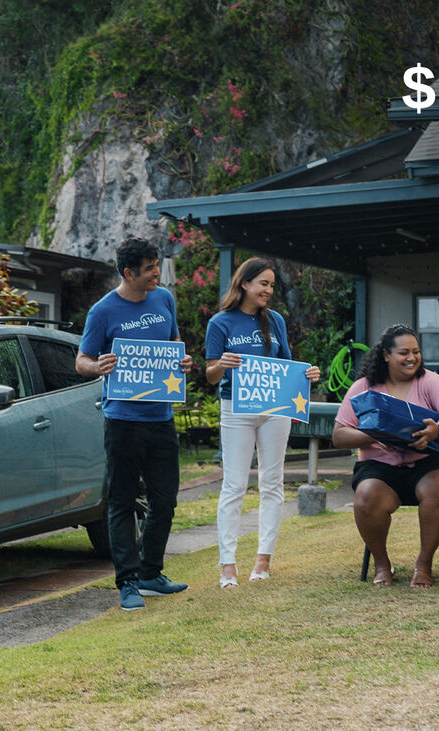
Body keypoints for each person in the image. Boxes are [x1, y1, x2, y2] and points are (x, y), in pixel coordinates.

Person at [76, 237, 195, 611]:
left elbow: (173, 341)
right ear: (129, 273)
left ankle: (150, 573)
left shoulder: (164, 300)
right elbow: (81, 359)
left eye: (157, 264)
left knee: (165, 499)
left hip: (161, 418)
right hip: (123, 422)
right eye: (150, 268)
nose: (157, 272)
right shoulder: (102, 311)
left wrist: (182, 359)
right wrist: (98, 367)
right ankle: (127, 581)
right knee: (123, 501)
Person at [204, 258, 320, 588]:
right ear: (245, 284)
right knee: (234, 485)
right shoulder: (220, 323)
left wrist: (307, 373)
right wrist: (222, 364)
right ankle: (227, 565)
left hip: (276, 409)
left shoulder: (276, 321)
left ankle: (263, 560)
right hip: (236, 408)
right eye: (263, 284)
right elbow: (211, 376)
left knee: (272, 482)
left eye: (271, 285)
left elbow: (287, 367)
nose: (269, 290)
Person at [332, 324, 439, 588]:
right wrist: (376, 435)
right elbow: (339, 435)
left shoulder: (429, 381)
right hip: (380, 467)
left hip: (428, 461)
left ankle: (424, 563)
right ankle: (382, 564)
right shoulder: (364, 387)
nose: (412, 358)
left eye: (416, 352)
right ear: (385, 355)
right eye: (403, 352)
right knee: (367, 494)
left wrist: (437, 428)